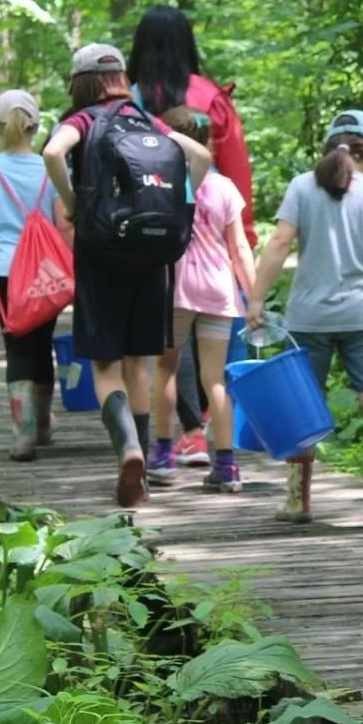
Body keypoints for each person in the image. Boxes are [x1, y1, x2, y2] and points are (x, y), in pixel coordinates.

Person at [42, 44, 212, 509]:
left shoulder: (82, 121)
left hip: (102, 252)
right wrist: (179, 206)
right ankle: (143, 461)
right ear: (120, 78)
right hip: (152, 255)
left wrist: (74, 204)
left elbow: (53, 153)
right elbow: (200, 157)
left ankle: (128, 450)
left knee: (105, 364)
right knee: (138, 361)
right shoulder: (146, 121)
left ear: (80, 83)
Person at [247, 110, 363, 528]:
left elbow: (279, 243)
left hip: (309, 317)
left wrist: (256, 299)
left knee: (302, 402)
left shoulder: (302, 187)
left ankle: (297, 501)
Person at [146, 108, 256, 493]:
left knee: (166, 368)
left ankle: (162, 456)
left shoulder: (161, 182)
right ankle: (226, 465)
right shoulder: (224, 187)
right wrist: (253, 297)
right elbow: (239, 248)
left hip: (176, 284)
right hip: (218, 286)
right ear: (206, 141)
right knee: (215, 378)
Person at [0, 90, 67, 462]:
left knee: (17, 347)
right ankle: (43, 425)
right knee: (42, 344)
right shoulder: (49, 169)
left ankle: (23, 434)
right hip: (44, 273)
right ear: (35, 127)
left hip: (5, 272)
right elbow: (64, 225)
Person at [127, 5, 256, 245]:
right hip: (206, 225)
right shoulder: (212, 98)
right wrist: (245, 237)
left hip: (140, 222)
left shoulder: (125, 101)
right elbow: (236, 168)